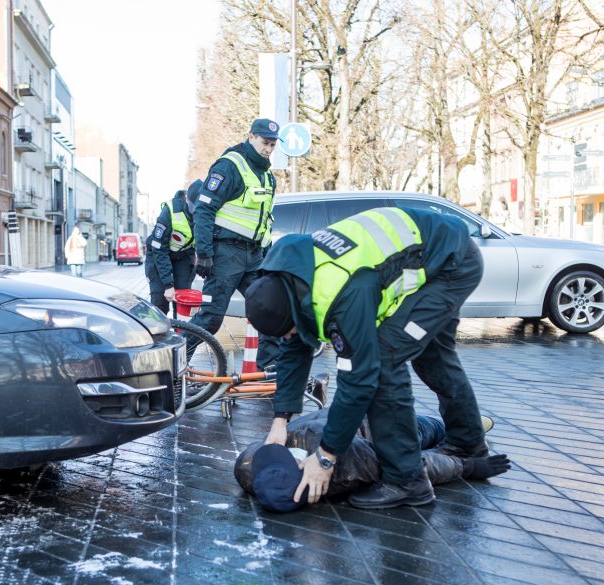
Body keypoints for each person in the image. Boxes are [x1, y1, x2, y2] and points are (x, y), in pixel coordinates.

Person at [244, 204, 495, 509]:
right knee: (434, 358)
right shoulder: (290, 278)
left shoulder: (339, 291)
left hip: (451, 266)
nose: (287, 339)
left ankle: (407, 480)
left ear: (292, 312)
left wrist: (325, 458)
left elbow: (359, 381)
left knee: (385, 360)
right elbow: (295, 349)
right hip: (437, 252)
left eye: (287, 331)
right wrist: (280, 419)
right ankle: (468, 443)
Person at [234, 411, 508, 512]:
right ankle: (466, 429)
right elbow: (406, 464)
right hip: (378, 430)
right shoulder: (340, 468)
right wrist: (467, 468)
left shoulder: (250, 465)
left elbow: (403, 463)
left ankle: (468, 426)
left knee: (434, 428)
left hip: (368, 418)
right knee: (422, 435)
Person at [189, 118, 282, 368]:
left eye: (273, 145)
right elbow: (204, 210)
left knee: (270, 311)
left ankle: (267, 372)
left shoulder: (266, 175)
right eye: (265, 143)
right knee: (210, 319)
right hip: (225, 254)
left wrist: (267, 256)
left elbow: (263, 220)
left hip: (254, 256)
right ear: (251, 136)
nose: (268, 149)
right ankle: (173, 364)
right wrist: (204, 252)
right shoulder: (229, 167)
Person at [144, 180, 203, 314]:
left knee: (183, 298)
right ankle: (157, 332)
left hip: (183, 256)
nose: (196, 213)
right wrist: (168, 285)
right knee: (160, 301)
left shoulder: (206, 212)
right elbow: (159, 250)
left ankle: (182, 332)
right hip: (158, 254)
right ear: (187, 198)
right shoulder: (169, 212)